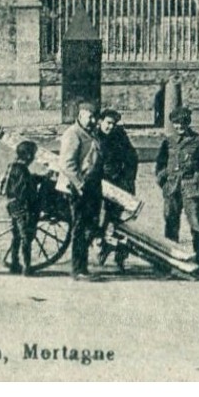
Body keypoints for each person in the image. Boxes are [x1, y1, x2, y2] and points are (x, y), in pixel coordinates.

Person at [154, 107, 199, 273]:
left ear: (188, 123)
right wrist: (163, 180)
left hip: (191, 189)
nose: (179, 126)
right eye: (176, 123)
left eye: (182, 123)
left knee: (196, 225)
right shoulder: (168, 141)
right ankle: (169, 259)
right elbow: (160, 164)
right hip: (172, 189)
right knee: (170, 224)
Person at [57, 100, 103, 280]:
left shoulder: (90, 133)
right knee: (79, 228)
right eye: (89, 117)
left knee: (90, 227)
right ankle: (78, 269)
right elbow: (67, 164)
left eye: (94, 117)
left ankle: (82, 266)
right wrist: (80, 184)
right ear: (80, 115)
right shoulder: (72, 134)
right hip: (77, 189)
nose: (93, 121)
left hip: (92, 187)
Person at [94, 108, 138, 271]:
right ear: (100, 121)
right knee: (100, 218)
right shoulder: (94, 135)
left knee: (118, 221)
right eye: (108, 123)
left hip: (118, 183)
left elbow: (132, 157)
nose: (110, 126)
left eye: (114, 123)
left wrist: (128, 181)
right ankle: (102, 246)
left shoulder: (119, 135)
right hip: (99, 182)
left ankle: (120, 257)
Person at [0, 139, 42, 275]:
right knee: (26, 237)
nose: (34, 157)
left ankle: (14, 264)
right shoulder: (23, 171)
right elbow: (25, 190)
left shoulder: (11, 166)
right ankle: (27, 267)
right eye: (33, 154)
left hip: (12, 206)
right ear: (28, 156)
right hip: (23, 207)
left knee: (16, 235)